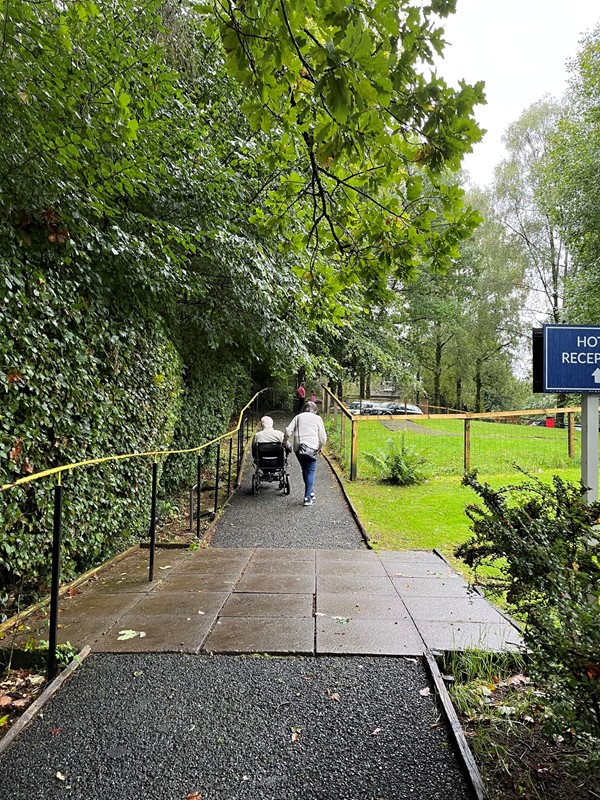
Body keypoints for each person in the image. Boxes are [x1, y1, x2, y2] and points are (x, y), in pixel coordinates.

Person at [284, 401, 327, 506]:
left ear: (304, 409)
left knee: (304, 469)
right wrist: (320, 447)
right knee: (311, 471)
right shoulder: (318, 419)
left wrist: (285, 442)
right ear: (315, 410)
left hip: (299, 448)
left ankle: (310, 492)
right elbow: (323, 438)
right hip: (312, 447)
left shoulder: (298, 417)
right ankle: (307, 498)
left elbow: (288, 431)